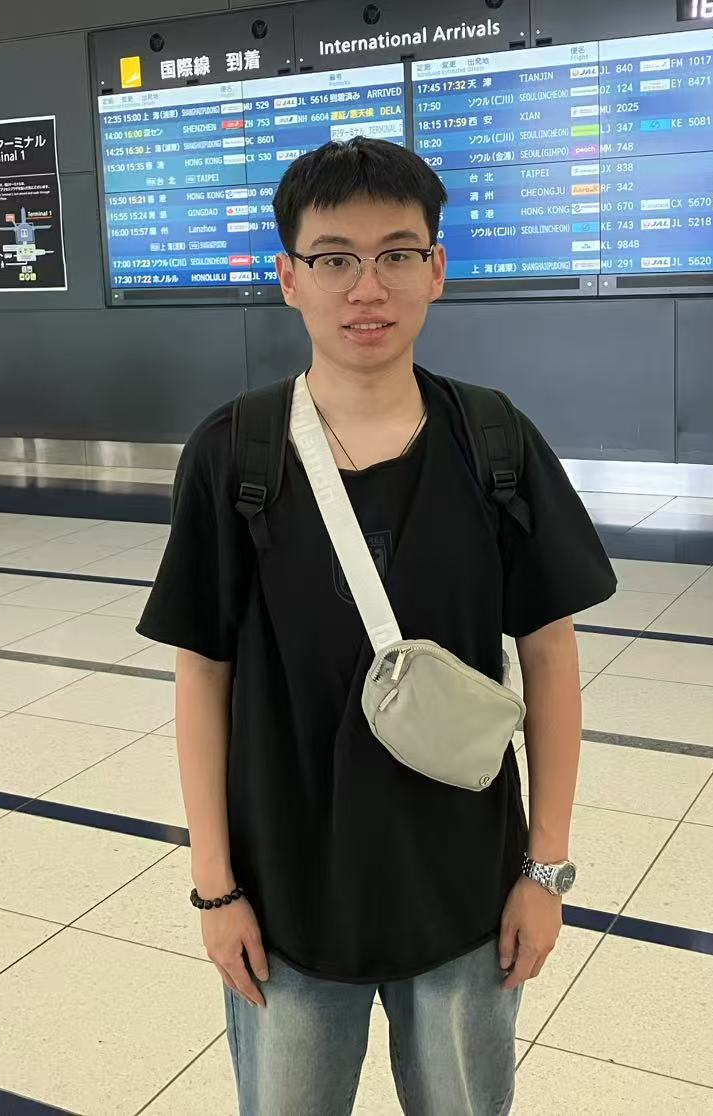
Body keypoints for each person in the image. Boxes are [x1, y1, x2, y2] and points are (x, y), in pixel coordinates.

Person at [138, 138, 616, 1114]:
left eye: (397, 253)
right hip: (284, 898)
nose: (368, 287)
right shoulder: (234, 455)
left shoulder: (494, 444)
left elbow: (550, 654)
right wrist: (216, 888)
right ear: (288, 278)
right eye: (334, 258)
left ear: (437, 269)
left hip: (465, 893)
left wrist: (544, 870)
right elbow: (202, 675)